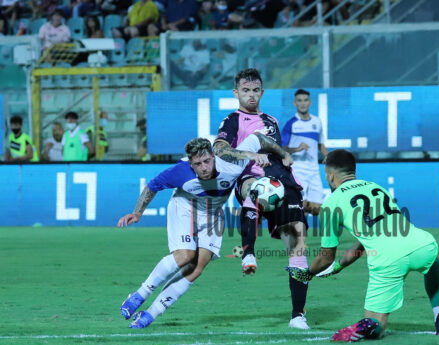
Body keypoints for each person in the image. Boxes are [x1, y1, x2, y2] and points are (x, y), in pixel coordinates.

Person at [117, 134, 290, 329]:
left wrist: (283, 154)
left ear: (213, 156)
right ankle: (140, 295)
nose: (204, 168)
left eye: (207, 161)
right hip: (186, 206)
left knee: (197, 268)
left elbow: (258, 138)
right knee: (185, 256)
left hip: (212, 213)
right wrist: (137, 213)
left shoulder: (232, 163)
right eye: (198, 164)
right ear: (191, 164)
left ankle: (151, 313)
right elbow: (152, 186)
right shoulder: (181, 172)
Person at [287, 149, 439, 341]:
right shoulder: (376, 187)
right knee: (433, 262)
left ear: (331, 176)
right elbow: (363, 243)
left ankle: (367, 325)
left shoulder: (332, 203)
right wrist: (339, 266)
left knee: (376, 328)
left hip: (388, 260)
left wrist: (308, 273)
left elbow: (326, 257)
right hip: (421, 244)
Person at [213, 68, 311, 330]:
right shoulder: (233, 120)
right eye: (246, 90)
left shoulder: (271, 120)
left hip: (284, 182)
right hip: (252, 178)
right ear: (236, 93)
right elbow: (219, 149)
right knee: (254, 189)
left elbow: (273, 148)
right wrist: (249, 155)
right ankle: (248, 254)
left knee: (298, 242)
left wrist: (286, 155)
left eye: (256, 90)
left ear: (262, 92)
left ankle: (298, 315)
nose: (251, 95)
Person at [281, 89, 328, 215]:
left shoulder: (317, 121)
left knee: (316, 209)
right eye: (300, 100)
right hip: (297, 170)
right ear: (295, 103)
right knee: (300, 206)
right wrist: (296, 149)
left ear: (310, 102)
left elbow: (320, 144)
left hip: (314, 170)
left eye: (305, 100)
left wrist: (329, 157)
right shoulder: (291, 124)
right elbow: (282, 149)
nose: (303, 103)